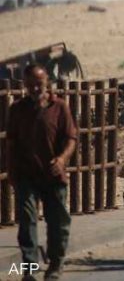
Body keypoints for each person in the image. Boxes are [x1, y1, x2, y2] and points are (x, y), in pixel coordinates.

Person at [7, 64, 78, 280]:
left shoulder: (60, 107)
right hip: (26, 175)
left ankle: (55, 263)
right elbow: (11, 143)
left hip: (53, 174)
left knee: (58, 222)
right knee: (27, 220)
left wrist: (62, 159)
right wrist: (12, 171)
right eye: (30, 84)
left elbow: (71, 138)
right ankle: (29, 268)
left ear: (47, 81)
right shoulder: (17, 109)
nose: (35, 88)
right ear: (25, 85)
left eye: (38, 83)